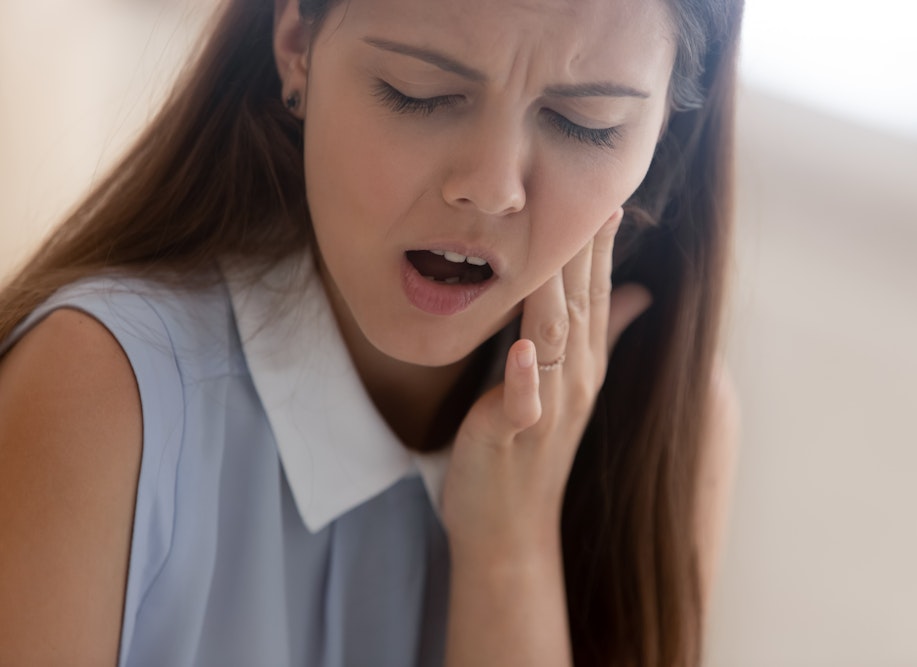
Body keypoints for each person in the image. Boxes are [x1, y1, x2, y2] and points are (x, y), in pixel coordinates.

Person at [0, 0, 743, 664]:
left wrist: (511, 555)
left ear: (664, 128)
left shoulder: (668, 418)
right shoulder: (102, 398)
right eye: (420, 91)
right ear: (297, 43)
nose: (491, 188)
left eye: (587, 123)